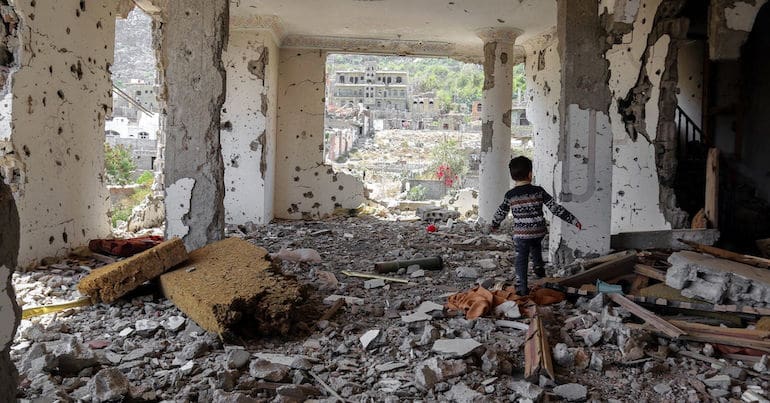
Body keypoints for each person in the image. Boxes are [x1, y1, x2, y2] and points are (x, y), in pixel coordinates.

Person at [491, 156, 582, 296]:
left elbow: (501, 211)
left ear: (513, 176)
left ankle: (522, 287)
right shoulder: (538, 191)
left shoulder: (510, 195)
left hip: (521, 235)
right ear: (530, 174)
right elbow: (555, 208)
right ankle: (539, 270)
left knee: (521, 258)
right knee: (535, 248)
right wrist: (573, 220)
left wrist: (495, 224)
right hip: (538, 232)